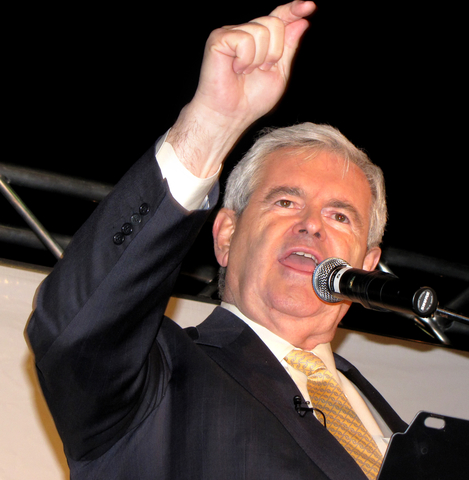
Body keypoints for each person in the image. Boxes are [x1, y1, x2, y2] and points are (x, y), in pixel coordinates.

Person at [27, 2, 407, 479]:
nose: (312, 224)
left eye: (339, 216)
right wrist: (210, 124)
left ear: (368, 265)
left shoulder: (392, 424)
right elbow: (74, 329)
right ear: (226, 235)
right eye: (285, 202)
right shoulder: (160, 377)